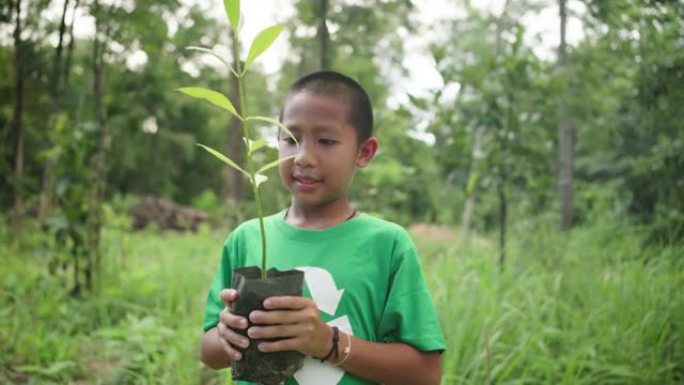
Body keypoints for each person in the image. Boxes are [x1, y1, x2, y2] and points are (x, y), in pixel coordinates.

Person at [200, 70, 445, 385]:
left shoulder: (387, 245)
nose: (303, 157)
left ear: (364, 152)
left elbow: (425, 373)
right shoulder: (245, 238)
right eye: (290, 139)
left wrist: (327, 342)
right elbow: (209, 352)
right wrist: (226, 335)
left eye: (326, 141)